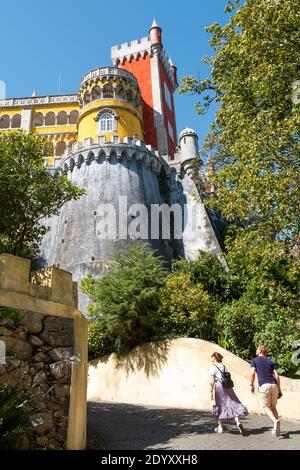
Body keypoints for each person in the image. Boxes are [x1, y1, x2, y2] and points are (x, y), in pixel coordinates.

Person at [210, 352, 248, 435]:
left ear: (214, 358)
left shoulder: (213, 367)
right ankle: (238, 422)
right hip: (228, 387)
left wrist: (211, 391)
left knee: (220, 405)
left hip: (219, 388)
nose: (211, 358)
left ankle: (220, 427)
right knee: (232, 403)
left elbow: (212, 381)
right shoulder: (223, 366)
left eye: (212, 357)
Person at [250, 345, 283, 437]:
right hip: (274, 385)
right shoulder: (270, 361)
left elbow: (252, 373)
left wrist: (251, 384)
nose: (255, 351)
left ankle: (275, 421)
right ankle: (277, 429)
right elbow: (277, 376)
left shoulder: (254, 360)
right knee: (273, 407)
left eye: (257, 349)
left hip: (264, 386)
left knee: (265, 406)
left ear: (260, 351)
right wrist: (279, 390)